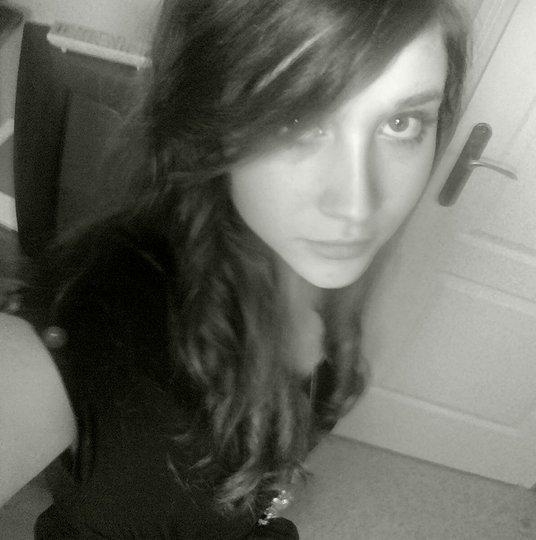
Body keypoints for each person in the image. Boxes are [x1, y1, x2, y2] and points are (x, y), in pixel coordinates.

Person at [0, 0, 468, 537]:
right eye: (297, 118)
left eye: (401, 123)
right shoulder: (87, 323)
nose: (359, 205)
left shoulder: (322, 261)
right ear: (208, 120)